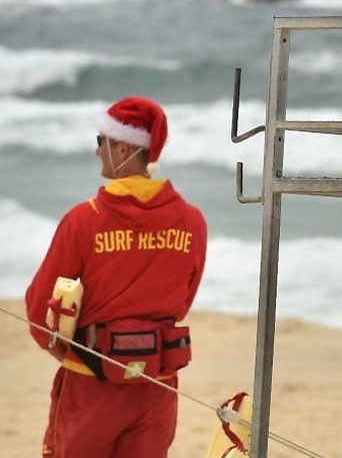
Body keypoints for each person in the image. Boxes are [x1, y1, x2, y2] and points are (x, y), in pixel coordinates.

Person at [25, 96, 207, 458]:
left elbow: (38, 312)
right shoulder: (191, 220)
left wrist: (75, 356)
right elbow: (183, 303)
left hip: (91, 385)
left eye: (100, 142)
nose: (98, 152)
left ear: (121, 146)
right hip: (157, 384)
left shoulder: (84, 220)